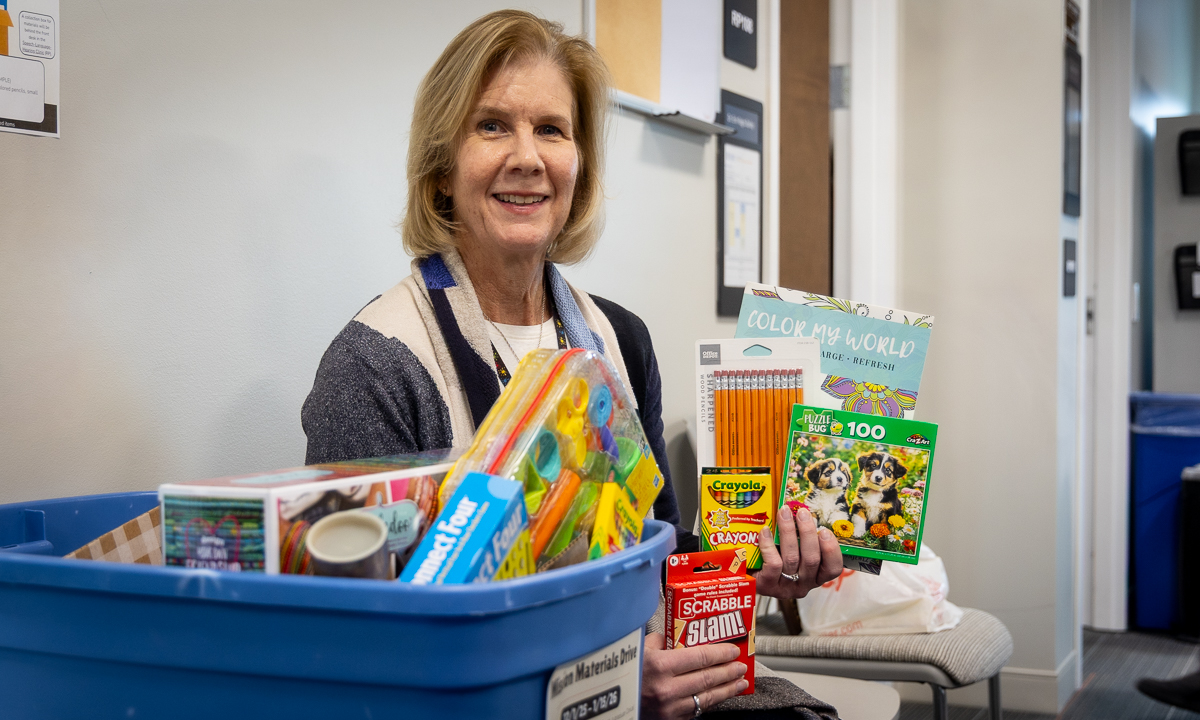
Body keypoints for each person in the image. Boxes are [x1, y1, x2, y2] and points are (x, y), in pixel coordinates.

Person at [302, 10, 843, 718]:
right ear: (441, 168)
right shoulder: (374, 366)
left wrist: (759, 559)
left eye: (552, 130)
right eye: (491, 125)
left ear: (578, 165)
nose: (527, 157)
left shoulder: (619, 336)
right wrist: (603, 679)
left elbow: (656, 550)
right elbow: (364, 649)